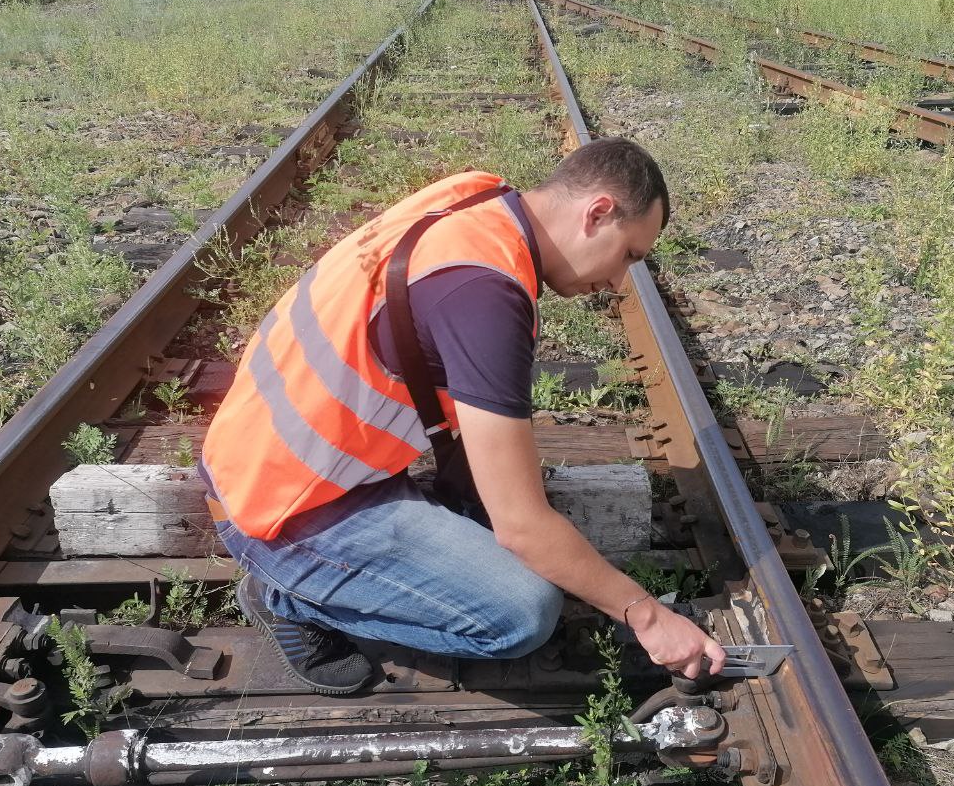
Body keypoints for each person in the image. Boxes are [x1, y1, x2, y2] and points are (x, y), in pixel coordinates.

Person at [200, 137, 726, 695]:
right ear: (597, 213)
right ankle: (285, 596)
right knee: (522, 614)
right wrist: (646, 616)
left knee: (496, 516)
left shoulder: (481, 200)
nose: (619, 281)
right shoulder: (482, 294)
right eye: (628, 256)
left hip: (267, 457)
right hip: (281, 510)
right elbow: (521, 526)